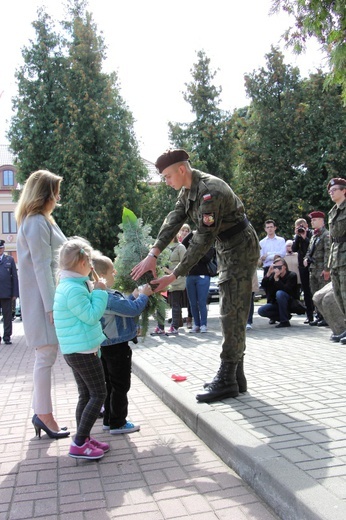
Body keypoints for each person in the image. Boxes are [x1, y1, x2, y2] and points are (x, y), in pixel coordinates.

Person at [131, 149, 260, 403]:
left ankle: (227, 378)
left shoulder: (209, 192)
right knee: (231, 310)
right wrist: (153, 253)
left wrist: (175, 274)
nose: (166, 181)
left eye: (167, 176)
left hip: (240, 247)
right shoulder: (188, 191)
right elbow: (174, 220)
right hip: (228, 246)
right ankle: (236, 377)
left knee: (230, 311)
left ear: (181, 170)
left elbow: (201, 240)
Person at [15, 170, 70, 440]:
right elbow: (42, 266)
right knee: (45, 357)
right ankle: (44, 415)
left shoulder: (38, 220)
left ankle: (42, 413)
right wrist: (51, 306)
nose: (58, 197)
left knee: (45, 357)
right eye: (55, 191)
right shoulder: (36, 221)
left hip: (44, 299)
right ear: (45, 193)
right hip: (42, 301)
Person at [53, 237, 109, 460]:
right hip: (82, 350)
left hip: (76, 349)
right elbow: (91, 315)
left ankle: (83, 437)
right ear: (84, 264)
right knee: (99, 393)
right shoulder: (73, 289)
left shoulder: (70, 284)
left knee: (85, 394)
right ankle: (78, 443)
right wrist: (100, 291)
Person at [91, 253, 152, 434]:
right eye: (112, 271)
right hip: (117, 347)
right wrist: (144, 295)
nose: (115, 273)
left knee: (110, 384)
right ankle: (118, 422)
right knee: (121, 384)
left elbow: (123, 308)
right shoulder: (106, 296)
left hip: (104, 347)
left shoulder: (98, 294)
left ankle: (110, 420)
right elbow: (131, 310)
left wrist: (133, 296)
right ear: (101, 276)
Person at [151, 234, 186, 335]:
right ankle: (160, 327)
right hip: (163, 281)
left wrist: (170, 271)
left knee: (175, 304)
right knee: (161, 303)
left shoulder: (180, 247)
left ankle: (174, 327)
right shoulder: (162, 248)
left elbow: (184, 264)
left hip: (176, 280)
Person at [182, 230, 215, 333]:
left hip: (203, 276)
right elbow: (183, 243)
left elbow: (205, 258)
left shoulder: (209, 247)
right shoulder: (190, 245)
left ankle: (203, 324)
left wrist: (197, 249)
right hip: (190, 276)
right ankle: (196, 324)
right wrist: (192, 233)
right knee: (192, 303)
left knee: (201, 302)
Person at [326, 177, 346, 344]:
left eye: (334, 190)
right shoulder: (332, 212)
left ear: (344, 190)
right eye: (330, 191)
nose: (331, 192)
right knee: (339, 296)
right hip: (336, 257)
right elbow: (332, 240)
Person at [303, 211, 330, 326]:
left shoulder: (326, 235)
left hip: (321, 269)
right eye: (311, 220)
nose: (312, 222)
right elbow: (310, 250)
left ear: (321, 221)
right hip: (313, 269)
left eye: (314, 220)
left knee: (323, 294)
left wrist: (327, 269)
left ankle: (326, 317)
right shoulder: (314, 236)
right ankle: (319, 315)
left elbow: (327, 252)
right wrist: (306, 258)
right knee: (314, 294)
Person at [258, 257, 299, 328]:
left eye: (279, 267)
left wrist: (277, 280)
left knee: (280, 293)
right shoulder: (273, 276)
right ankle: (282, 317)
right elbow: (264, 285)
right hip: (276, 303)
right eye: (275, 267)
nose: (278, 269)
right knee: (261, 310)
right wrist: (268, 273)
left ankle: (284, 321)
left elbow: (287, 290)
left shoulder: (292, 275)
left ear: (285, 267)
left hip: (290, 302)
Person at [292, 218, 314, 323]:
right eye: (298, 227)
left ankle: (318, 314)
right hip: (302, 265)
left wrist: (305, 237)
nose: (301, 228)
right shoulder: (297, 236)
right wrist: (297, 236)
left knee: (313, 290)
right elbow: (294, 249)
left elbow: (313, 247)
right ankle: (309, 316)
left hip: (312, 265)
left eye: (302, 226)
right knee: (306, 291)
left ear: (306, 226)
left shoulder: (312, 234)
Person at [0, 240, 19, 344]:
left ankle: (7, 337)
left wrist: (15, 293)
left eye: (1, 248)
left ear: (3, 249)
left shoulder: (10, 259)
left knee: (7, 317)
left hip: (6, 293)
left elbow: (14, 278)